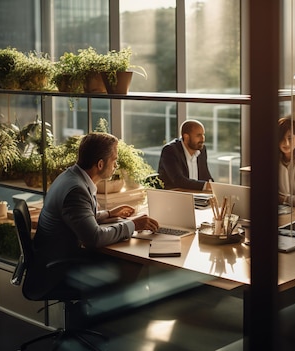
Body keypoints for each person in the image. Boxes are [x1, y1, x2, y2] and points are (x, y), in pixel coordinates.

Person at [32, 132, 159, 296]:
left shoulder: (72, 177)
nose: (116, 165)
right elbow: (95, 238)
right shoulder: (76, 190)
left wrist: (108, 214)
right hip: (59, 268)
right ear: (100, 164)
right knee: (130, 262)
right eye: (114, 160)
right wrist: (134, 225)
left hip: (56, 257)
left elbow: (76, 217)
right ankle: (112, 316)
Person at [158, 119, 214, 191]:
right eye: (198, 135)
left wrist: (214, 186)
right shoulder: (170, 150)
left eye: (203, 135)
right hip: (175, 196)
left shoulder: (201, 149)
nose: (202, 138)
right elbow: (178, 180)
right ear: (186, 137)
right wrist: (206, 185)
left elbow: (205, 175)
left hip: (197, 196)